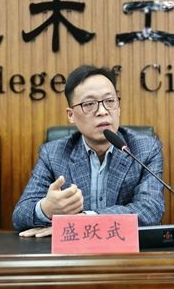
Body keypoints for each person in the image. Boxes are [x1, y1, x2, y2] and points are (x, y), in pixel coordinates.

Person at [12, 65, 165, 237]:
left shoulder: (145, 149)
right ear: (71, 115)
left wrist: (85, 220)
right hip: (74, 253)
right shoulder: (53, 154)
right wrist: (46, 209)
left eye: (109, 101)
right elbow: (20, 215)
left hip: (126, 250)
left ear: (118, 107)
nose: (102, 111)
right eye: (89, 104)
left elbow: (150, 209)